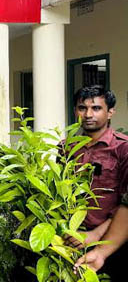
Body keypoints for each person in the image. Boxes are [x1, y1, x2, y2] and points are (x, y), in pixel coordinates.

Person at [63, 86, 128, 281]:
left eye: (97, 108)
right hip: (72, 242)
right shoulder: (66, 148)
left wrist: (95, 234)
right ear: (76, 111)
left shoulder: (123, 148)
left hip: (114, 242)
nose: (88, 114)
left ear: (110, 112)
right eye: (82, 108)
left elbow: (126, 203)